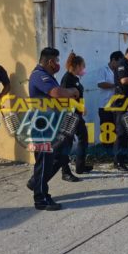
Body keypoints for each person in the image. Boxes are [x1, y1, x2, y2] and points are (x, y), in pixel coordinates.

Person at [26, 47, 80, 211]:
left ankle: (36, 182)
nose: (58, 64)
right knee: (44, 162)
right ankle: (41, 198)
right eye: (56, 61)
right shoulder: (39, 75)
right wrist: (73, 91)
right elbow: (57, 92)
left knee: (61, 156)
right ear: (50, 62)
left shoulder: (49, 76)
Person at [60, 52, 93, 181]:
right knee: (66, 143)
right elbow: (64, 98)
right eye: (83, 66)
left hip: (77, 115)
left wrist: (81, 107)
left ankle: (80, 166)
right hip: (69, 115)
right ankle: (65, 172)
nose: (84, 69)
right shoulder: (67, 79)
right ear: (77, 66)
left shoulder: (75, 78)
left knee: (83, 137)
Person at [97, 51, 124, 155]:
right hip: (105, 105)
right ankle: (106, 152)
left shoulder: (119, 71)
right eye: (118, 62)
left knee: (115, 129)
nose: (119, 65)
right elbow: (100, 84)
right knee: (106, 128)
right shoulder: (103, 69)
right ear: (113, 60)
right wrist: (115, 86)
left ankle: (114, 152)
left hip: (116, 106)